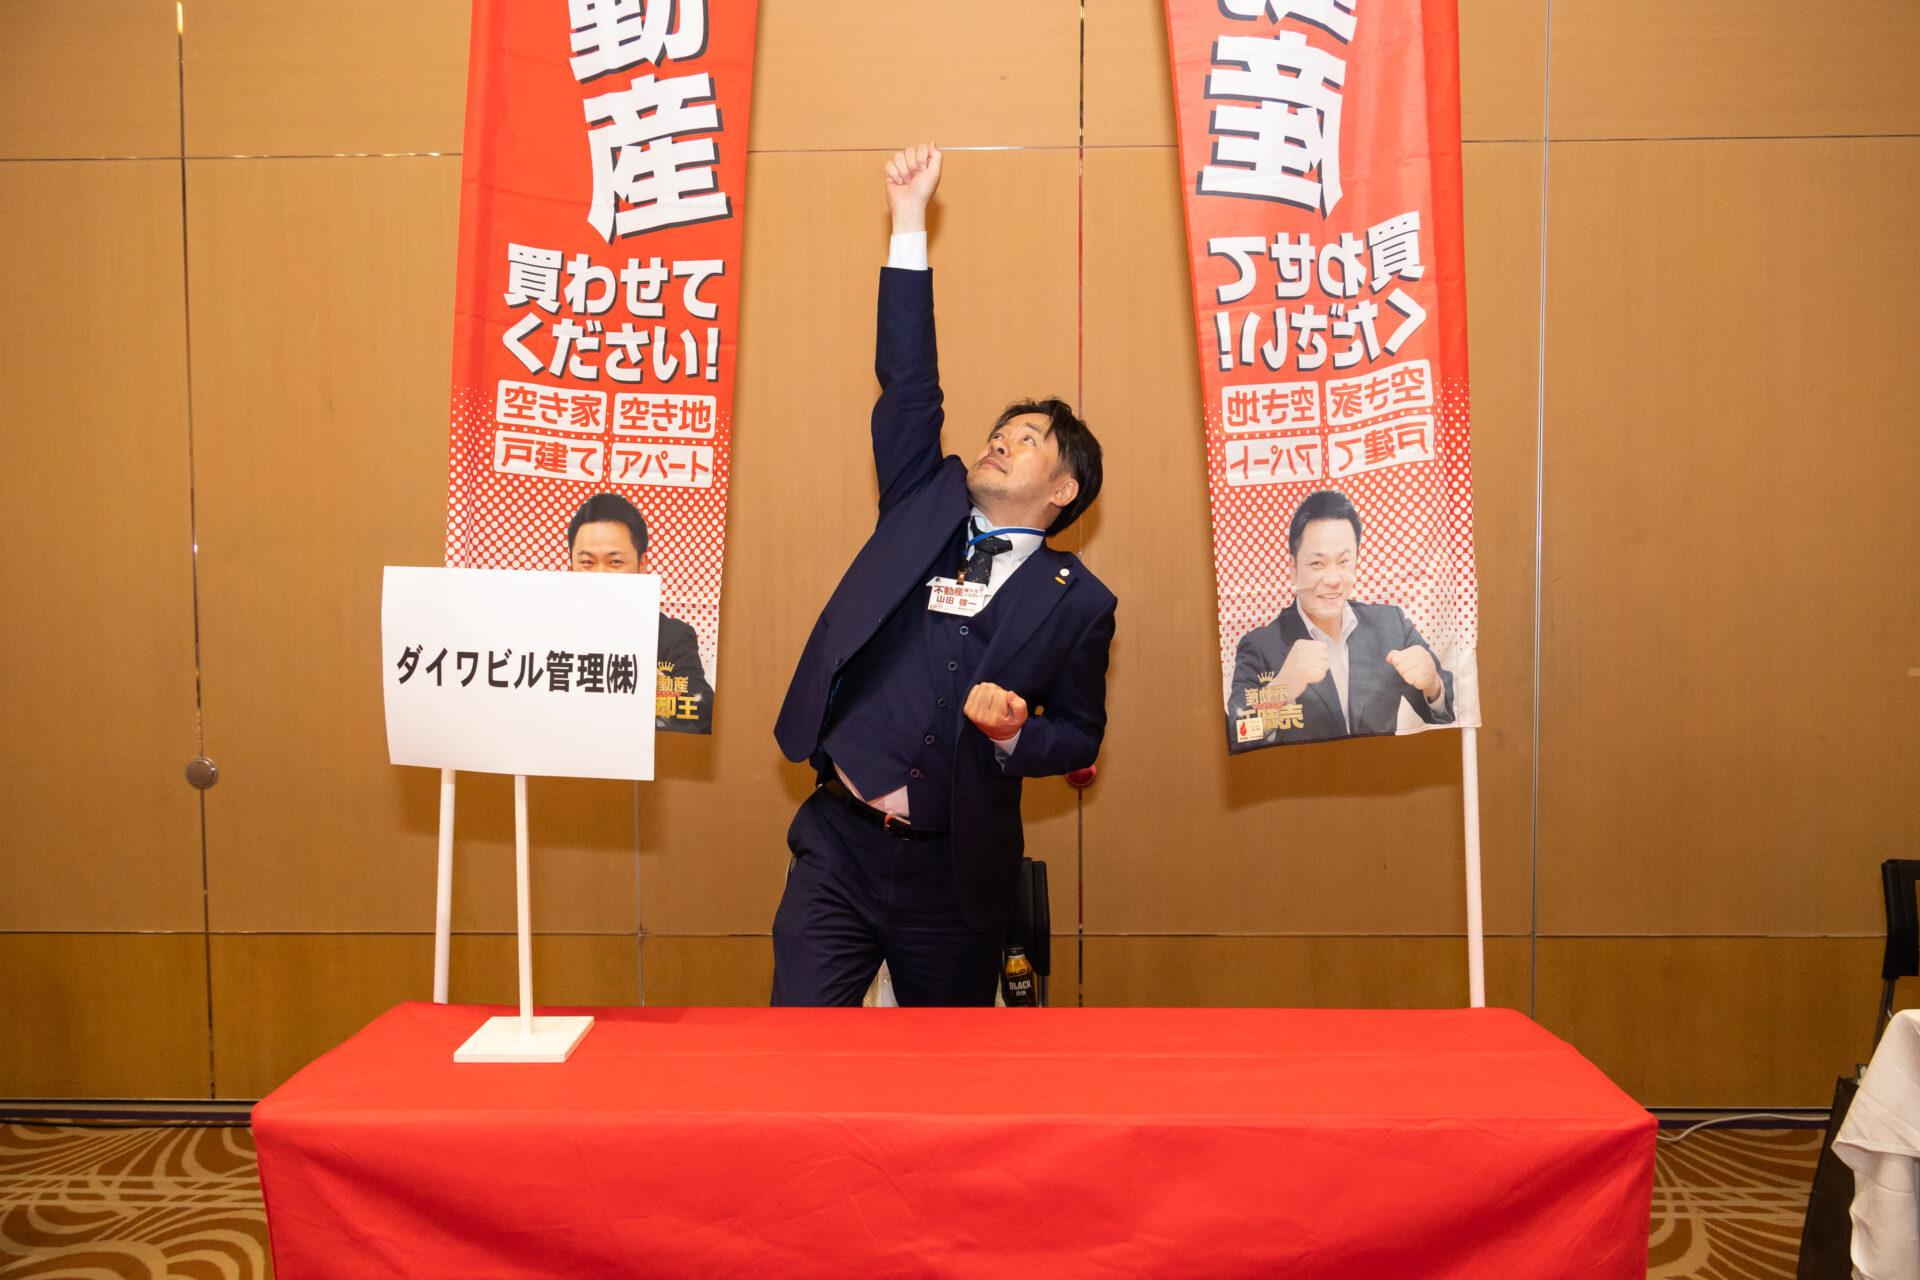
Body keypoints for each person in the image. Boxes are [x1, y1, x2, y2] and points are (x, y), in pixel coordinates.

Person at [769, 143, 1115, 1007]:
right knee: (795, 1053)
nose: (1002, 440)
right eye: (1002, 430)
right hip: (838, 846)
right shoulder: (922, 503)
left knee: (946, 1076)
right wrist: (908, 221)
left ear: (1063, 490)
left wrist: (1015, 736)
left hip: (954, 880)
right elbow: (908, 381)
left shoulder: (1081, 604)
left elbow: (1080, 735)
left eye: (1028, 439)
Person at [1226, 489, 1453, 750]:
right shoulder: (1260, 646)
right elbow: (1240, 733)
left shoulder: (1391, 624)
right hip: (1304, 775)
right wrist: (1280, 690)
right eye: (1317, 564)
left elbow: (1453, 708)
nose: (1333, 579)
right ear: (1293, 569)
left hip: (1385, 770)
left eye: (1344, 561)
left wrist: (1434, 687)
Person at [566, 491, 714, 735]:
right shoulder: (548, 630)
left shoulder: (671, 636)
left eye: (614, 562)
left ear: (642, 565)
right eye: (587, 562)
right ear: (570, 565)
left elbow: (702, 713)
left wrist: (656, 688)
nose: (600, 575)